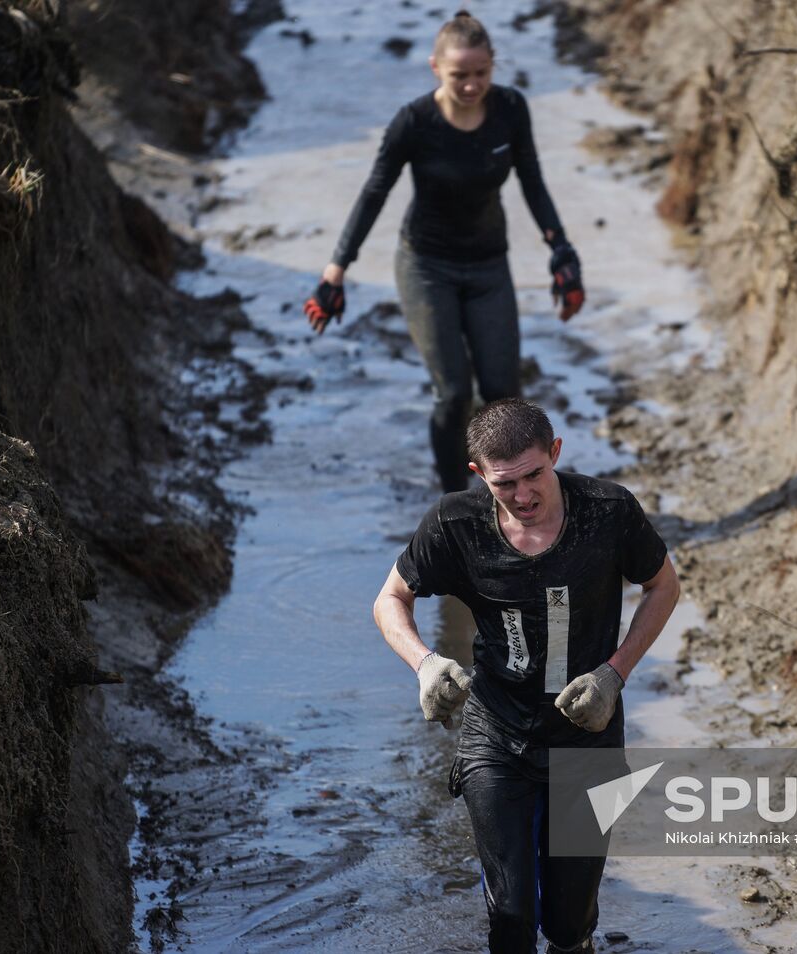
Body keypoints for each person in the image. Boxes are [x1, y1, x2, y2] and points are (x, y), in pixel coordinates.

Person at [372, 399, 680, 953]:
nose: (524, 496)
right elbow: (390, 600)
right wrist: (425, 664)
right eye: (504, 484)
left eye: (535, 474)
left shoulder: (608, 512)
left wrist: (615, 674)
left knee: (568, 925)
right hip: (496, 734)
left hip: (588, 734)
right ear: (478, 476)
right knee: (511, 919)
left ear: (556, 453)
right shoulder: (456, 523)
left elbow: (664, 586)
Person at [305, 10, 586, 494]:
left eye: (481, 73)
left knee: (502, 399)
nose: (472, 85)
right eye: (460, 75)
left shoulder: (511, 110)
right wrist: (337, 269)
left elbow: (533, 182)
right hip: (426, 266)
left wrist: (562, 250)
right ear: (435, 67)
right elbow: (374, 193)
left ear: (493, 66)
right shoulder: (414, 122)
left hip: (488, 267)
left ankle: (509, 494)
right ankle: (454, 501)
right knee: (454, 393)